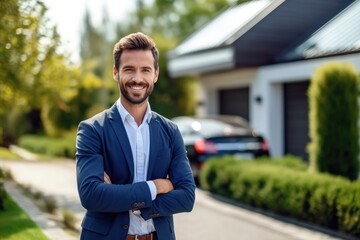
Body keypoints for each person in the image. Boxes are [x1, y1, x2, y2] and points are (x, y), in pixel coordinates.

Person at [76, 32, 196, 240]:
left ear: (155, 74)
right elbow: (92, 196)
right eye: (129, 70)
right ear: (116, 72)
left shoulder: (170, 131)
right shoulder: (93, 129)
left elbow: (186, 197)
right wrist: (157, 187)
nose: (137, 79)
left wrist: (122, 197)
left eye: (145, 70)